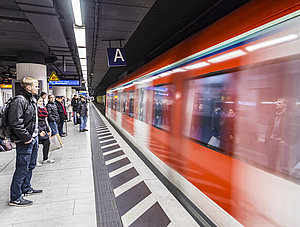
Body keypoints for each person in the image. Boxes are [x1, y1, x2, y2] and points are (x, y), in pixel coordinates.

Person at [8, 77, 42, 207]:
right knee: (22, 168)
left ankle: (26, 188)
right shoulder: (19, 101)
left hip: (33, 138)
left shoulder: (31, 99)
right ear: (28, 87)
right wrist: (27, 137)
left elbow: (34, 120)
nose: (37, 88)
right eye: (36, 86)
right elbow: (15, 122)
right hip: (25, 140)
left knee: (31, 165)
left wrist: (36, 134)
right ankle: (15, 197)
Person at [265, 98, 291, 173]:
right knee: (271, 161)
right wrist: (267, 139)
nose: (277, 104)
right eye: (277, 103)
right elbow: (269, 127)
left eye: (279, 103)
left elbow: (292, 130)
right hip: (272, 141)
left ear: (285, 105)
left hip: (281, 142)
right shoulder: (273, 115)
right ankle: (271, 176)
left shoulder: (288, 116)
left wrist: (286, 140)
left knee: (284, 163)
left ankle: (285, 180)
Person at [37, 97, 54, 165]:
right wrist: (39, 131)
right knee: (35, 147)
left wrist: (47, 130)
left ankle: (45, 158)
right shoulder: (35, 110)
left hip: (43, 129)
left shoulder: (43, 110)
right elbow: (34, 122)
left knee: (47, 143)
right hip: (37, 130)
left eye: (42, 101)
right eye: (39, 101)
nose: (41, 103)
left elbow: (44, 121)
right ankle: (34, 161)